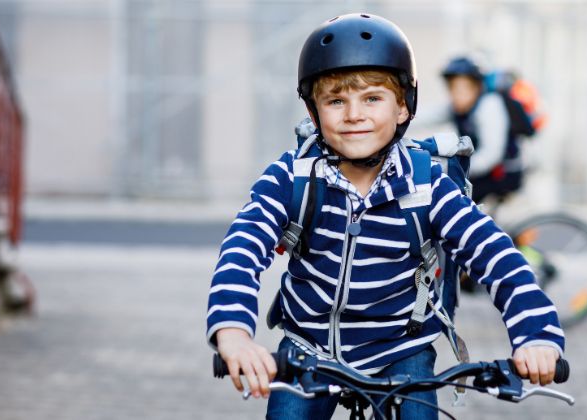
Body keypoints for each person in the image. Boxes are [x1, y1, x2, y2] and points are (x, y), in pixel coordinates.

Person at [206, 13, 564, 420]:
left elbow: (496, 258)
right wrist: (233, 333)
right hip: (309, 347)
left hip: (401, 348)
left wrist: (535, 336)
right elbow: (242, 247)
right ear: (313, 111)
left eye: (372, 98)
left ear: (402, 108)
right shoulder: (293, 178)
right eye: (336, 100)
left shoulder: (428, 186)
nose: (354, 114)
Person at [424, 56, 525, 204]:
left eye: (462, 88)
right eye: (452, 88)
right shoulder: (459, 107)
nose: (456, 95)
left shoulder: (489, 106)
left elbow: (491, 154)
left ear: (477, 88)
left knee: (451, 200)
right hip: (486, 172)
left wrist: (456, 169)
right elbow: (427, 115)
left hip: (503, 174)